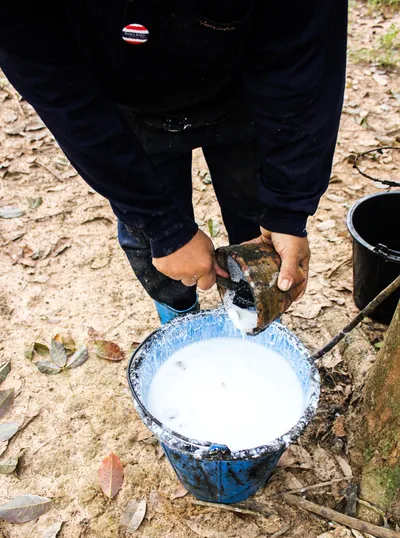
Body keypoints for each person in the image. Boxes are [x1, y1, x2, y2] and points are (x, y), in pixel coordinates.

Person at [0, 1, 347, 323]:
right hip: (122, 103)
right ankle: (180, 321)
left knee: (260, 225)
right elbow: (67, 103)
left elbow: (304, 66)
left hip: (245, 87)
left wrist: (287, 209)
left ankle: (257, 317)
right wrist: (164, 227)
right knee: (154, 246)